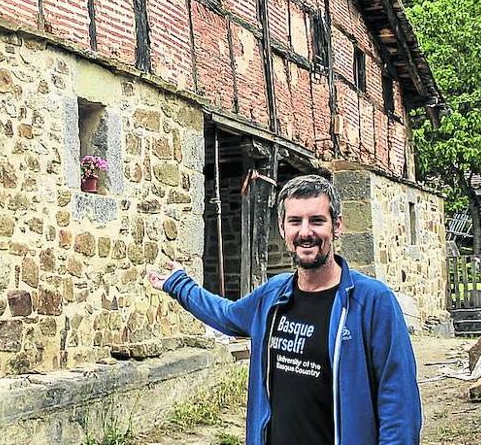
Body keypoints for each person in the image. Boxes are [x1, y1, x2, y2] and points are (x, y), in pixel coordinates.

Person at [148, 174, 422, 445]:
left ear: (337, 226)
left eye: (316, 220)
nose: (305, 232)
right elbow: (227, 316)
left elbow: (399, 404)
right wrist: (179, 284)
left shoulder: (372, 302)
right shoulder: (273, 295)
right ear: (282, 228)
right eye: (295, 221)